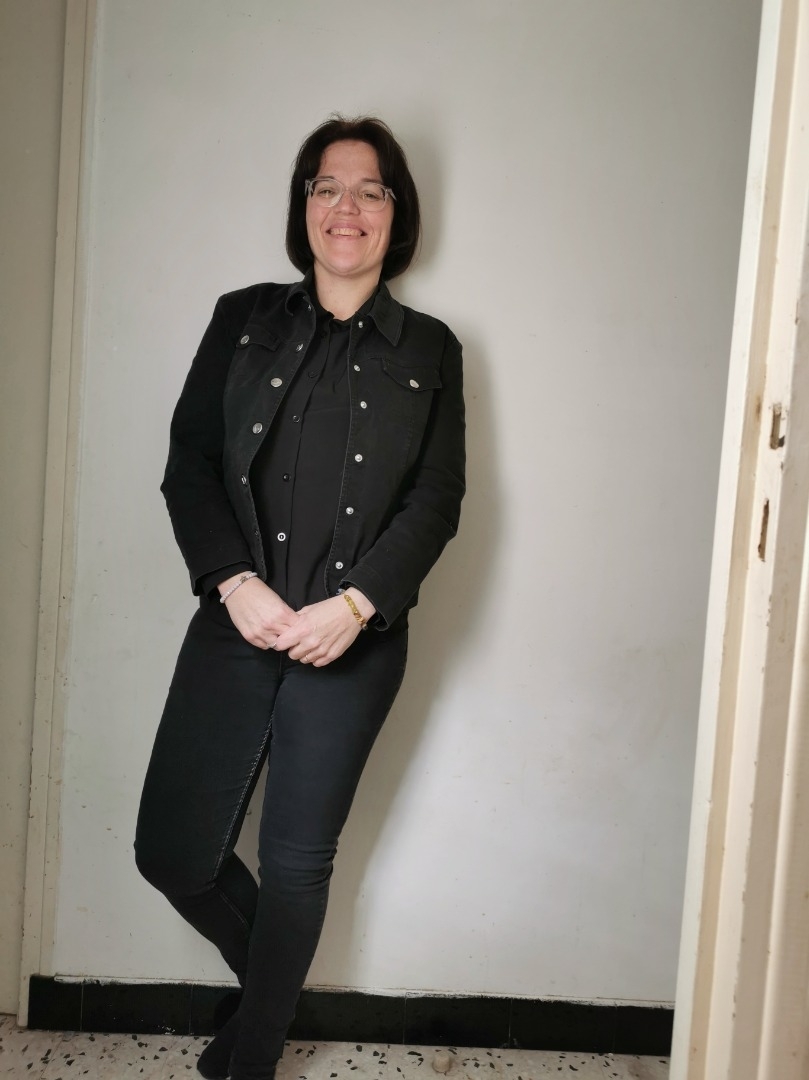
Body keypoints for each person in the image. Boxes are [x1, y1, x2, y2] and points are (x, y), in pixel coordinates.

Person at [134, 116, 465, 1080]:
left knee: (294, 864)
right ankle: (273, 1001)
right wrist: (232, 583)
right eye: (326, 186)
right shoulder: (242, 318)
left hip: (352, 639)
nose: (345, 207)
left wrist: (354, 607)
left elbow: (436, 499)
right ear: (304, 205)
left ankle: (250, 1058)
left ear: (396, 213)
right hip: (237, 618)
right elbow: (190, 464)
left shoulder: (432, 347)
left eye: (369, 189)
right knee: (173, 853)